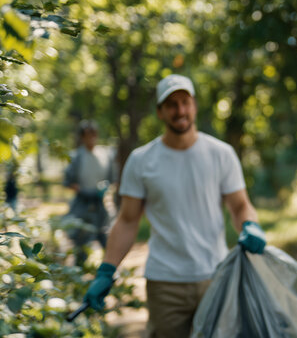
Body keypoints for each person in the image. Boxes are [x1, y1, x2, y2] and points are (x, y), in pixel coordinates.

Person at [82, 74, 267, 338]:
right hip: (164, 282)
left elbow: (239, 206)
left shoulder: (221, 154)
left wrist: (251, 225)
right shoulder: (142, 160)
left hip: (215, 276)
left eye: (185, 102)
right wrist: (106, 270)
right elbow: (127, 220)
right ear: (160, 112)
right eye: (171, 104)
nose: (180, 110)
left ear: (194, 105)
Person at [64, 120, 118, 266]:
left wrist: (106, 190)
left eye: (93, 134)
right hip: (83, 203)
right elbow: (69, 182)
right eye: (87, 135)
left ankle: (110, 270)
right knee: (81, 239)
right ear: (82, 137)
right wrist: (82, 191)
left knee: (106, 237)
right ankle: (78, 273)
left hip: (101, 203)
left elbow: (113, 179)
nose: (91, 138)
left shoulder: (106, 154)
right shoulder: (76, 157)